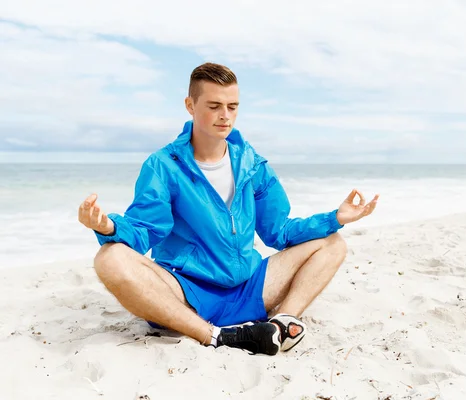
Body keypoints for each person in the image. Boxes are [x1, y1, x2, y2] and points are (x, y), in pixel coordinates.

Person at [78, 62, 379, 356]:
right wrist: (108, 227)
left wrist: (335, 218)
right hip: (187, 294)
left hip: (249, 287)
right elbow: (146, 231)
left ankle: (280, 324)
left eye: (232, 106)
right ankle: (216, 337)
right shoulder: (163, 166)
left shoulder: (253, 164)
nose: (225, 116)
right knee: (111, 258)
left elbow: (280, 232)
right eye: (214, 106)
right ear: (190, 105)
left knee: (332, 243)